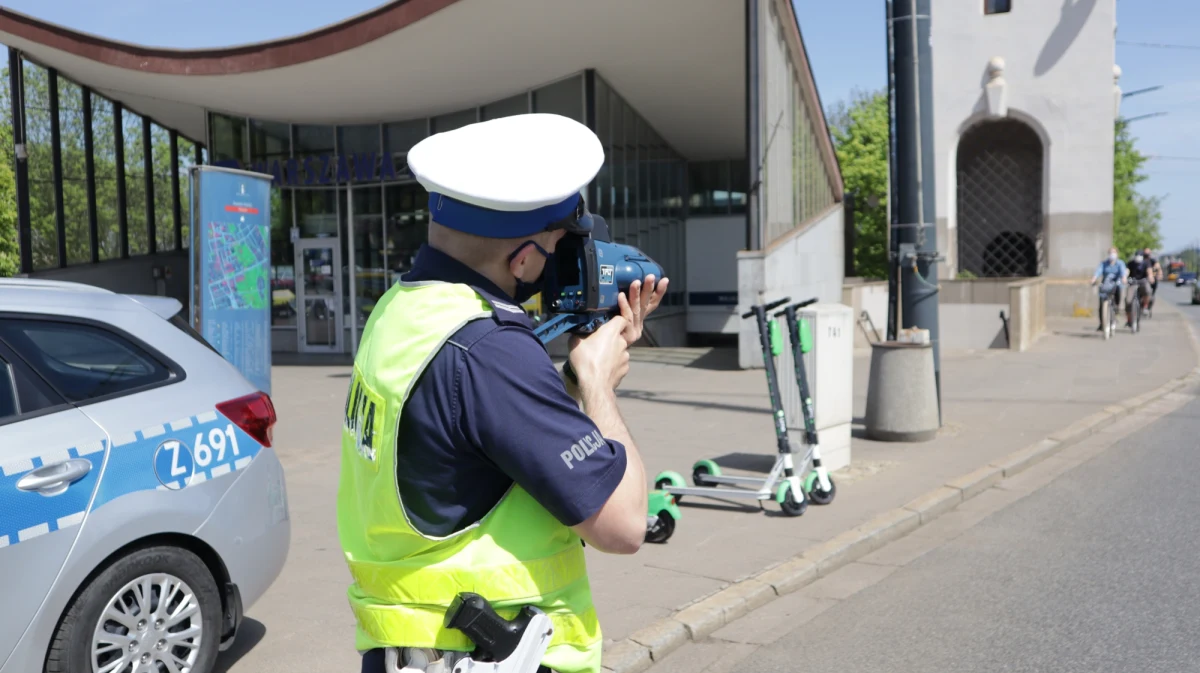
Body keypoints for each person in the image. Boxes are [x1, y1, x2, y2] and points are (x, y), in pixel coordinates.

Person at [337, 112, 669, 673]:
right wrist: (597, 386)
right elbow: (624, 524)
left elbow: (478, 439)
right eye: (562, 240)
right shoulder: (490, 350)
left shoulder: (404, 310)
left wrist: (564, 380)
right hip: (486, 652)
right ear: (524, 257)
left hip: (410, 644)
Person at [1091, 246, 1128, 331]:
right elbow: (1098, 271)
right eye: (1111, 252)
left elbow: (1123, 272)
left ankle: (1116, 310)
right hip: (1106, 285)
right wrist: (1094, 278)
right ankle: (1102, 323)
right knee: (1101, 303)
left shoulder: (1120, 263)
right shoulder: (1104, 263)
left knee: (1117, 295)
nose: (1112, 254)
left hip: (1116, 284)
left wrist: (1124, 278)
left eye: (1114, 252)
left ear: (1117, 254)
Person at [1125, 250, 1153, 325]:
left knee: (1147, 290)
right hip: (1133, 282)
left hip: (1143, 281)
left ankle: (1145, 306)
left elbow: (1149, 272)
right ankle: (1129, 320)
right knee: (1128, 301)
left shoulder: (1146, 263)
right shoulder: (1131, 263)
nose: (1138, 257)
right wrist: (1124, 277)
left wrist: (1150, 277)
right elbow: (1127, 271)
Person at [1144, 247, 1162, 312]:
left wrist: (1159, 275)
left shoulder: (1153, 260)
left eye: (1148, 253)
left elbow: (1158, 268)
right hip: (1143, 279)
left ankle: (1148, 306)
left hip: (1152, 280)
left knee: (1151, 295)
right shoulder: (1142, 260)